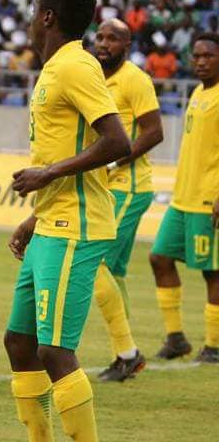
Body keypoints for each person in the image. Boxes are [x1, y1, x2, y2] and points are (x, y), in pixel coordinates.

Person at [5, 0, 130, 442]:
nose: (29, 20)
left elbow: (118, 141)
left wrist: (47, 174)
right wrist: (35, 215)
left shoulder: (76, 66)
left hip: (75, 227)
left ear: (47, 17)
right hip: (50, 222)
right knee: (20, 343)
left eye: (33, 10)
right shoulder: (55, 68)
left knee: (55, 351)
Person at [91, 19, 164, 382]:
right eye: (100, 36)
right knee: (114, 273)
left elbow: (154, 131)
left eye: (113, 38)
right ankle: (124, 354)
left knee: (95, 262)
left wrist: (115, 162)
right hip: (106, 185)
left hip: (127, 185)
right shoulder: (93, 76)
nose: (104, 43)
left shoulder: (135, 80)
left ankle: (128, 353)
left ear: (127, 45)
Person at [149, 32, 219, 364]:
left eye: (208, 56)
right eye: (197, 56)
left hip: (208, 199)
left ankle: (214, 346)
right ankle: (176, 338)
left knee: (212, 272)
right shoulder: (198, 92)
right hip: (182, 198)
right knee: (159, 257)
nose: (201, 62)